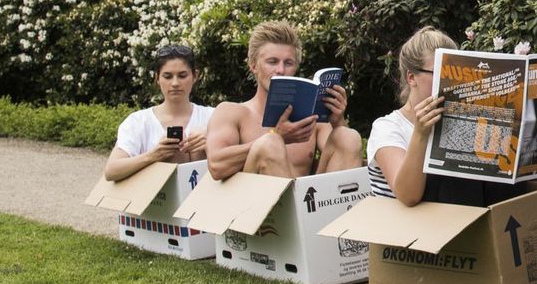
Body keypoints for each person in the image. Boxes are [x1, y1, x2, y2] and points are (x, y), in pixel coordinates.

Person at [366, 26, 515, 208]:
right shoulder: (387, 127)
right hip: (408, 229)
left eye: (455, 74)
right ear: (412, 77)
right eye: (441, 73)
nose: (451, 83)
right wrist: (420, 134)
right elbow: (408, 196)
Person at [206, 20, 362, 181]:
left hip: (310, 201)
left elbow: (342, 152)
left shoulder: (311, 117)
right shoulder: (231, 112)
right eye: (272, 62)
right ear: (253, 66)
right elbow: (216, 166)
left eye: (288, 63)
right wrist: (278, 136)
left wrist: (338, 121)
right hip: (259, 203)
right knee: (269, 143)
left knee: (347, 136)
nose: (280, 70)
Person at [103, 43, 214, 181]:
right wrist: (153, 155)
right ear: (157, 78)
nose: (175, 83)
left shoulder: (213, 117)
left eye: (182, 75)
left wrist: (212, 142)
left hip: (203, 197)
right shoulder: (138, 121)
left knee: (198, 137)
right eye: (167, 76)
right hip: (158, 198)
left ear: (195, 76)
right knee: (173, 152)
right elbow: (111, 171)